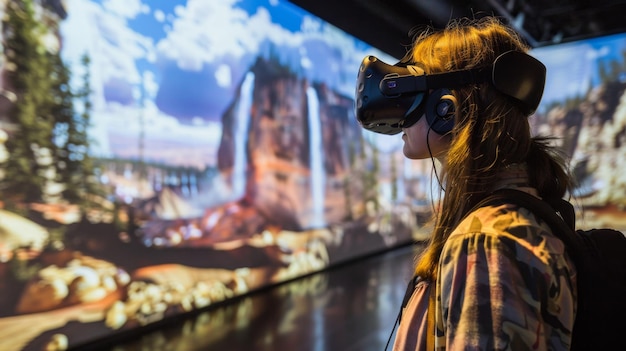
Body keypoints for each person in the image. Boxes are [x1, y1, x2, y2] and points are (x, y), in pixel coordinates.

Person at [388, 17, 577, 350]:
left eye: (413, 92)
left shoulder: (487, 242)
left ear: (446, 109)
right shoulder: (520, 215)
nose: (400, 113)